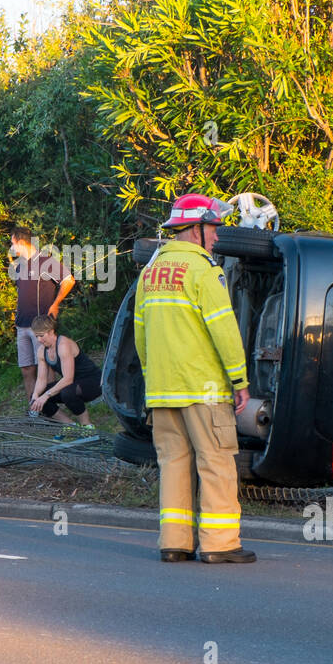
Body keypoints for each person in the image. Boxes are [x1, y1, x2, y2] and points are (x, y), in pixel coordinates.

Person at [134, 194, 256, 564]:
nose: (217, 237)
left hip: (161, 390)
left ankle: (174, 543)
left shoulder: (150, 273)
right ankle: (219, 544)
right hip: (204, 390)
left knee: (172, 464)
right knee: (216, 462)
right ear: (195, 230)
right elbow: (224, 330)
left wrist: (151, 378)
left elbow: (140, 334)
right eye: (213, 229)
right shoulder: (204, 271)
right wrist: (240, 380)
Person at [8, 227, 75, 405]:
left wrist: (55, 303)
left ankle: (50, 408)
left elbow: (69, 280)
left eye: (12, 243)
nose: (11, 247)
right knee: (26, 369)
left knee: (45, 368)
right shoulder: (19, 265)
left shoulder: (45, 261)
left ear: (20, 242)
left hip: (40, 326)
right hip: (21, 325)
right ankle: (33, 409)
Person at [28, 315, 100, 427]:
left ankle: (87, 426)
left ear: (51, 331)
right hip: (73, 383)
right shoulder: (41, 351)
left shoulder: (63, 345)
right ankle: (70, 426)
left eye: (41, 336)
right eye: (36, 336)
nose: (39, 340)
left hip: (93, 381)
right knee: (37, 396)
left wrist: (45, 396)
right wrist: (36, 397)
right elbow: (41, 379)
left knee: (67, 392)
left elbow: (67, 379)